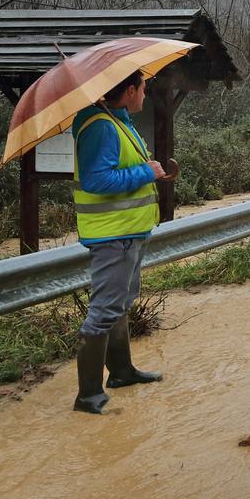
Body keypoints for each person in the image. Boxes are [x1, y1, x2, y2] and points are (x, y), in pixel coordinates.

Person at [71, 71, 166, 415]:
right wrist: (148, 173)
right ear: (129, 91)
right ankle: (88, 396)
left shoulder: (117, 121)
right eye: (143, 88)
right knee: (104, 311)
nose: (146, 93)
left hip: (128, 232)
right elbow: (98, 180)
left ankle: (122, 372)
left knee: (120, 304)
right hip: (113, 235)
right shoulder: (100, 126)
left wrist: (146, 168)